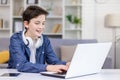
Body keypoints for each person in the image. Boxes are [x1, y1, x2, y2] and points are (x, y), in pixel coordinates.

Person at [8, 5, 70, 73]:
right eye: (37, 23)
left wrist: (67, 64)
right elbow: (22, 65)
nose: (41, 27)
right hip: (17, 75)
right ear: (26, 24)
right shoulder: (16, 39)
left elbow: (54, 61)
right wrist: (47, 67)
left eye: (43, 23)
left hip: (37, 76)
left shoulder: (45, 40)